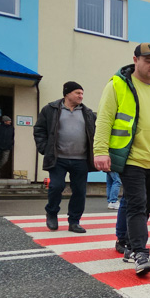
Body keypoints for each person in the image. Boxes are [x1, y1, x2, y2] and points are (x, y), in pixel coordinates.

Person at [93, 43, 150, 276]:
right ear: (135, 60)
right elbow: (104, 119)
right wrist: (100, 151)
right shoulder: (118, 85)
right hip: (132, 157)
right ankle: (140, 253)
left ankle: (128, 246)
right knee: (136, 205)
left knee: (145, 207)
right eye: (148, 61)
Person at [34, 82, 97, 233]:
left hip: (81, 159)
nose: (81, 96)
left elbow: (95, 133)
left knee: (79, 191)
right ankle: (52, 213)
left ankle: (74, 221)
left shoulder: (87, 113)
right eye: (77, 93)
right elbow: (39, 130)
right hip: (58, 158)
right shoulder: (51, 109)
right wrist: (45, 149)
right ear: (67, 93)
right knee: (56, 186)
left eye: (82, 93)